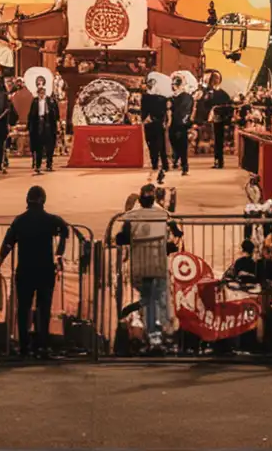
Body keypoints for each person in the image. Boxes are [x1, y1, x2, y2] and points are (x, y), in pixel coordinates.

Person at [0, 185, 69, 359]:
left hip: (25, 270)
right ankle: (42, 345)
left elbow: (7, 244)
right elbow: (65, 230)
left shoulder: (19, 220)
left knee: (23, 308)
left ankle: (24, 346)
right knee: (44, 308)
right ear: (44, 200)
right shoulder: (51, 220)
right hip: (45, 270)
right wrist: (59, 253)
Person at [115, 184, 175, 354]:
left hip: (141, 266)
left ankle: (153, 336)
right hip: (158, 265)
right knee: (159, 299)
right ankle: (163, 335)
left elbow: (122, 238)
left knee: (148, 301)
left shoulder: (131, 216)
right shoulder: (163, 214)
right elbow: (174, 234)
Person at [199, 72, 234, 169]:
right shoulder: (209, 93)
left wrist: (225, 117)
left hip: (219, 119)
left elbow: (229, 107)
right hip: (211, 119)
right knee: (215, 141)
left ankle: (219, 161)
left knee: (218, 140)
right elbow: (205, 104)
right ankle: (217, 160)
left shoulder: (222, 94)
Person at [27, 78, 60, 175]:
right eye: (40, 93)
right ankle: (38, 165)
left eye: (43, 92)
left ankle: (49, 164)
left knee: (49, 145)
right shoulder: (35, 101)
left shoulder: (50, 101)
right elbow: (31, 115)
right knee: (38, 146)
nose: (41, 94)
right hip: (38, 124)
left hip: (48, 124)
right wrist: (30, 126)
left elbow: (55, 114)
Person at [168, 73, 195, 177]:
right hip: (174, 123)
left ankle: (184, 166)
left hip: (182, 123)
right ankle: (176, 158)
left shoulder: (186, 97)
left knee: (182, 145)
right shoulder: (171, 97)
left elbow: (187, 110)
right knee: (174, 142)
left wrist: (187, 121)